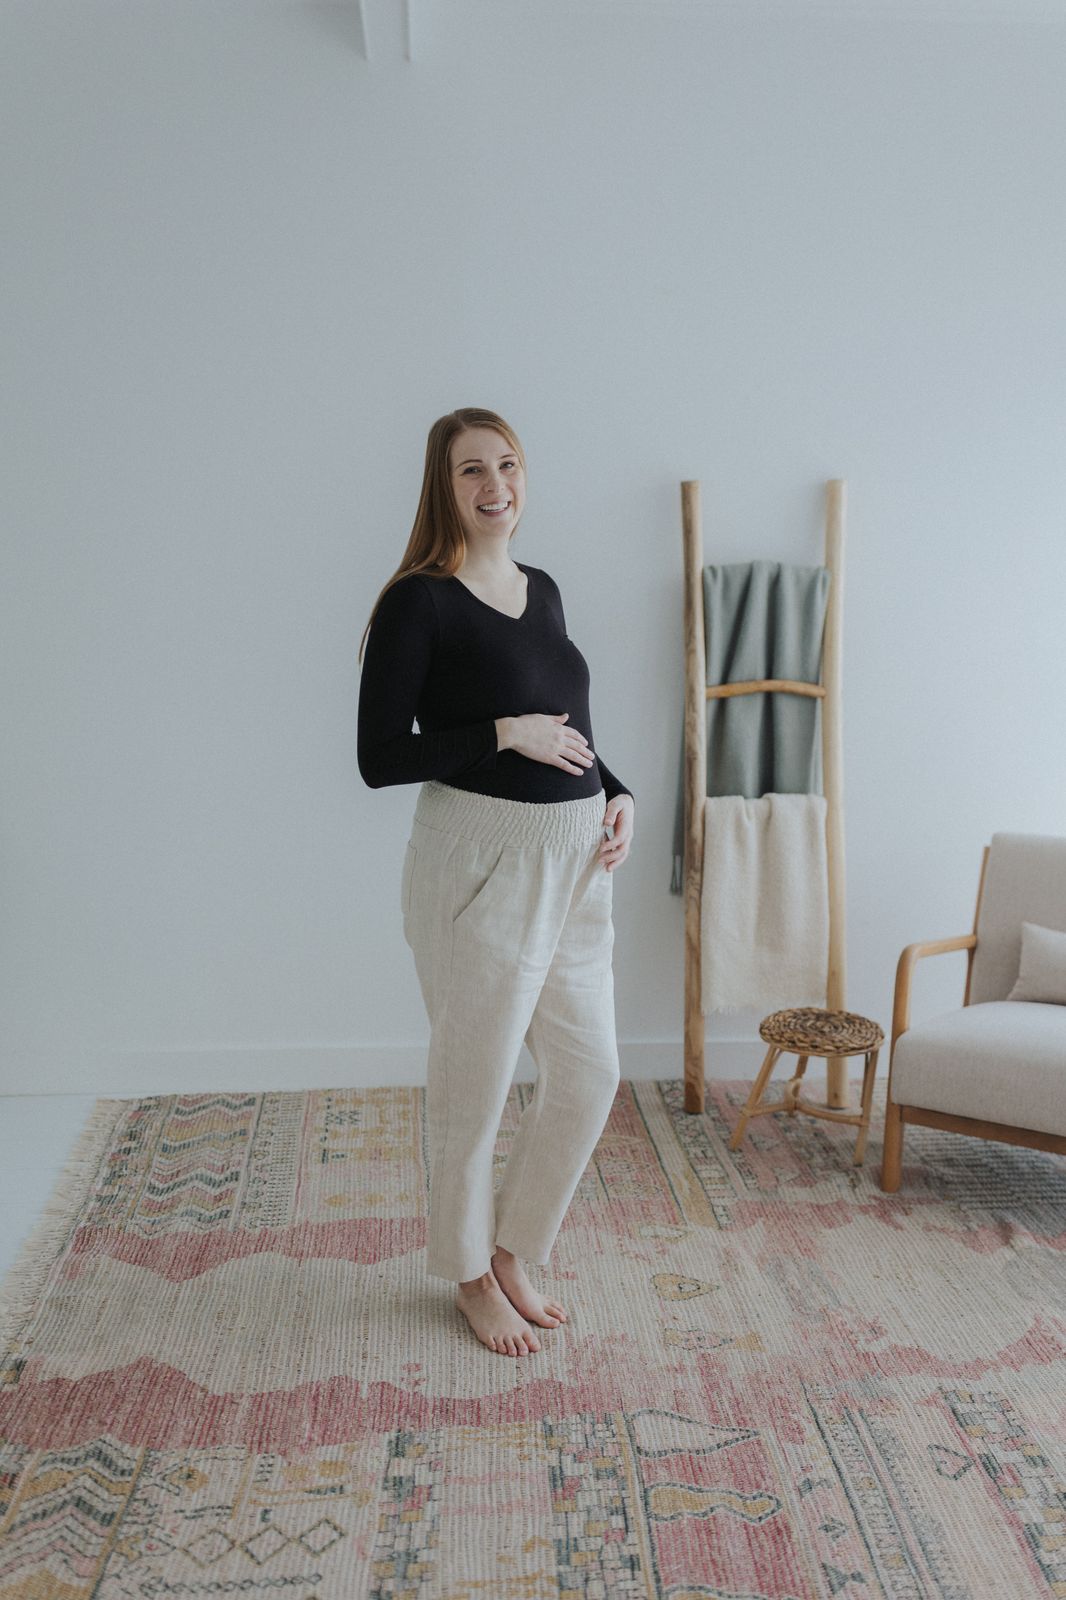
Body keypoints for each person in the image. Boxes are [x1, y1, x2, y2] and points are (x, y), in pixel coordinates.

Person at [357, 406, 635, 1357]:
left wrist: (619, 791)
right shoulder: (419, 602)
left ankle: (515, 1248)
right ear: (445, 488)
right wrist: (505, 733)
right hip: (481, 863)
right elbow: (379, 756)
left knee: (591, 1072)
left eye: (508, 466)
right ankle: (470, 1276)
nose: (495, 487)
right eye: (472, 471)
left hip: (577, 862)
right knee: (472, 1088)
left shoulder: (543, 589)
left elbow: (576, 722)